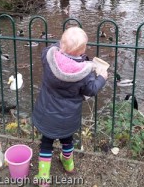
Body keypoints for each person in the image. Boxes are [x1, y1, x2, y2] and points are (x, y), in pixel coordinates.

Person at [32, 26, 108, 186]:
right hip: (68, 117)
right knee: (68, 141)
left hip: (47, 115)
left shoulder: (48, 57)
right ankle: (69, 165)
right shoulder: (85, 73)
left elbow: (50, 48)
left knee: (46, 143)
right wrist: (102, 77)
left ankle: (43, 177)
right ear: (82, 51)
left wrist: (62, 44)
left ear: (61, 44)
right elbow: (91, 89)